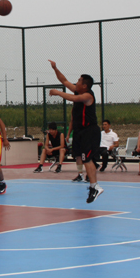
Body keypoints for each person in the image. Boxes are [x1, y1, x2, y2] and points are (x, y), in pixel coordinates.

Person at [48, 60, 103, 203]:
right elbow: (64, 80)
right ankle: (93, 185)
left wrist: (58, 92)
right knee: (83, 158)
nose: (76, 82)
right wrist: (55, 68)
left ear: (84, 85)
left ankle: (95, 186)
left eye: (79, 81)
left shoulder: (88, 96)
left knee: (87, 159)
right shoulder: (79, 91)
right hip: (80, 132)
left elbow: (73, 98)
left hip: (90, 131)